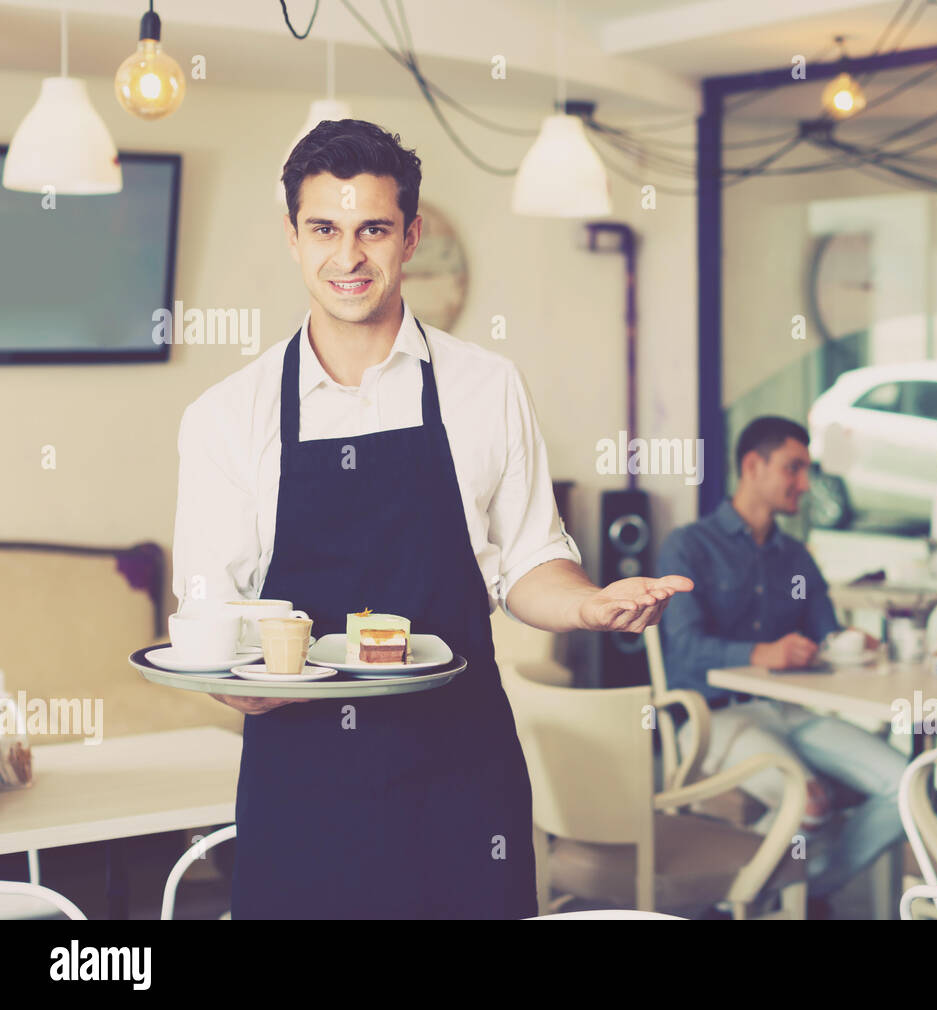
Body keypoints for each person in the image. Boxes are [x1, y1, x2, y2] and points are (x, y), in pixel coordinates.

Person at [171, 119, 691, 919]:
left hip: (461, 777)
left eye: (372, 229)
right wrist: (233, 684)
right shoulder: (225, 417)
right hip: (303, 787)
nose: (348, 258)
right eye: (325, 230)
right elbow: (211, 610)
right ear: (292, 236)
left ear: (410, 236)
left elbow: (526, 562)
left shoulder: (487, 387)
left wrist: (588, 605)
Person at [656, 416, 908, 907]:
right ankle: (742, 902)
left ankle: (802, 892)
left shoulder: (797, 557)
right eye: (794, 468)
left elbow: (826, 635)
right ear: (753, 465)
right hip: (714, 716)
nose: (805, 483)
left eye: (806, 470)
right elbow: (683, 646)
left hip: (792, 711)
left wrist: (850, 643)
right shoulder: (688, 546)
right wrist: (759, 654)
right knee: (811, 806)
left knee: (906, 786)